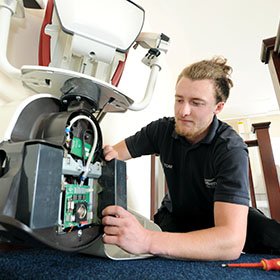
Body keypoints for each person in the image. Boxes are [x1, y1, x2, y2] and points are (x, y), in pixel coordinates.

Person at [101, 56, 280, 261]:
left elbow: (230, 241)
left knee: (273, 237)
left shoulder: (231, 149)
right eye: (179, 100)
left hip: (223, 217)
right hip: (177, 215)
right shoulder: (161, 130)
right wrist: (113, 170)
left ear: (218, 107)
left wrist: (147, 239)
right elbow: (113, 153)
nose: (183, 111)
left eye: (196, 103)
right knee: (160, 258)